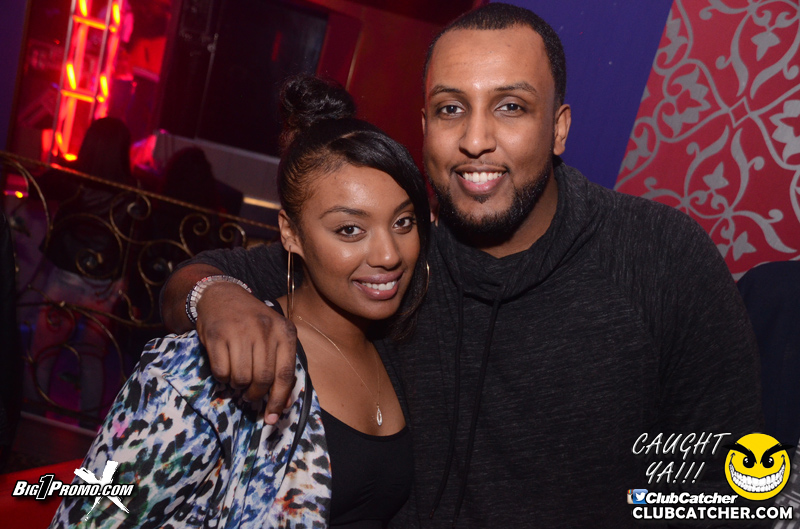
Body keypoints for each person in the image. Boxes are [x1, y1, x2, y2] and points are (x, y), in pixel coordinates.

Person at [160, 4, 763, 527]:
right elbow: (197, 279)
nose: (476, 139)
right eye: (451, 108)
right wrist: (215, 296)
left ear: (558, 129)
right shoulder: (396, 257)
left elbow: (738, 485)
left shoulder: (659, 256)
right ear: (425, 127)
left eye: (511, 107)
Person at [50, 75, 431, 528]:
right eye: (350, 229)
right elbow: (88, 517)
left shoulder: (394, 346)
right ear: (290, 233)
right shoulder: (216, 360)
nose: (389, 255)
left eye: (403, 222)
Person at [25, 117, 137, 422]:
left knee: (42, 355)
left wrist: (55, 163)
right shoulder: (133, 190)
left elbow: (32, 187)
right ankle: (87, 431)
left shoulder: (72, 177)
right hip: (103, 288)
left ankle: (32, 422)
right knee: (92, 359)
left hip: (65, 280)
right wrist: (122, 281)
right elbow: (135, 241)